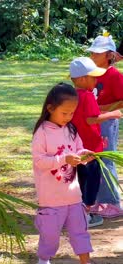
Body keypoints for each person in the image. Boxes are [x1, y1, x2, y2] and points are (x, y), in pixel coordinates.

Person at [32, 83, 95, 264]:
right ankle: (44, 259)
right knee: (50, 236)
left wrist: (84, 156)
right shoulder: (42, 133)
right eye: (64, 113)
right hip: (51, 200)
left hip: (74, 196)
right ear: (50, 108)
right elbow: (39, 162)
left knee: (80, 232)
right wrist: (64, 159)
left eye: (72, 113)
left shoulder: (71, 130)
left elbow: (78, 151)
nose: (68, 117)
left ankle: (85, 261)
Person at [69, 57, 122, 228]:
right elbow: (92, 119)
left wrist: (101, 140)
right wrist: (114, 114)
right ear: (83, 79)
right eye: (93, 77)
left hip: (79, 147)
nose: (96, 80)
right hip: (90, 150)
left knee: (81, 179)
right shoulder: (88, 96)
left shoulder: (72, 95)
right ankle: (87, 215)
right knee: (92, 180)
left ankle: (78, 210)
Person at [87, 33, 123, 218]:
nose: (93, 55)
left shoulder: (114, 75)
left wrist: (105, 108)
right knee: (94, 159)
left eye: (97, 53)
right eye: (92, 52)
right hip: (93, 122)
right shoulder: (91, 72)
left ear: (109, 55)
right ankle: (99, 200)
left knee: (106, 160)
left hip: (107, 122)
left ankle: (113, 202)